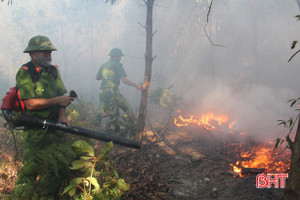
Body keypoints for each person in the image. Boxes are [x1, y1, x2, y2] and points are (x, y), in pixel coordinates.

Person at [12, 35, 75, 200]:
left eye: (50, 51)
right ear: (33, 54)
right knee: (31, 169)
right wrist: (57, 100)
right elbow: (30, 104)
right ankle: (20, 197)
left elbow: (62, 97)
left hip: (55, 127)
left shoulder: (54, 71)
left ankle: (49, 197)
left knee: (58, 165)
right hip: (35, 131)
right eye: (45, 52)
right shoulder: (25, 73)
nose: (49, 55)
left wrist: (62, 116)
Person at [95, 48, 141, 134]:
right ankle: (133, 131)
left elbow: (97, 78)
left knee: (101, 110)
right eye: (119, 56)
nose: (120, 58)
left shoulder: (104, 64)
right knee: (128, 108)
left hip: (103, 90)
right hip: (112, 91)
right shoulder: (117, 65)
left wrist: (107, 77)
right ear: (115, 56)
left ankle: (92, 127)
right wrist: (137, 86)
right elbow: (124, 80)